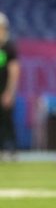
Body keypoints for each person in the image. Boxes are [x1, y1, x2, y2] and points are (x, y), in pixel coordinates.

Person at [0, 12, 20, 161]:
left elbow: (14, 70)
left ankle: (11, 149)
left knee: (7, 120)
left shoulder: (9, 46)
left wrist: (9, 91)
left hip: (4, 90)